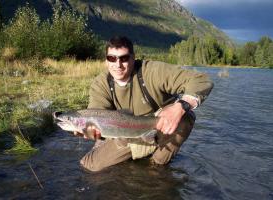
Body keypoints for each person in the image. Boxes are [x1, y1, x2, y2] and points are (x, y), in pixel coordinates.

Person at [77, 36, 213, 172]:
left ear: (133, 57)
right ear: (106, 60)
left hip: (162, 127)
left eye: (123, 58)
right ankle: (140, 154)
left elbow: (201, 80)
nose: (117, 64)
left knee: (185, 117)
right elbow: (96, 112)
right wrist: (92, 131)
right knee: (90, 165)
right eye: (112, 58)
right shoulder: (101, 83)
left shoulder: (152, 71)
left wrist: (181, 106)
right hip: (125, 133)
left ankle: (157, 165)